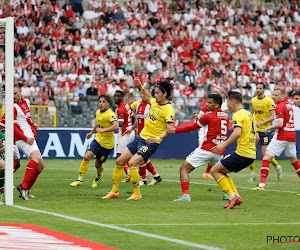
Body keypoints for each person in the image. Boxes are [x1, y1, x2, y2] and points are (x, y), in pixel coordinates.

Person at [102, 78, 175, 200]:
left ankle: (137, 194)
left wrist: (157, 138)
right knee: (120, 161)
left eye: (157, 93)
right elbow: (147, 96)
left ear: (165, 94)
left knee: (132, 163)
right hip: (140, 137)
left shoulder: (168, 110)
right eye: (155, 93)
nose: (155, 95)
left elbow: (170, 129)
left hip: (150, 142)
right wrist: (141, 86)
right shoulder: (154, 102)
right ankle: (114, 191)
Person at [167, 94, 229, 202]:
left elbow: (193, 127)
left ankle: (186, 196)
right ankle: (227, 194)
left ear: (217, 104)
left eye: (210, 102)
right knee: (221, 172)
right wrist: (200, 120)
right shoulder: (226, 116)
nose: (207, 104)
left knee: (184, 169)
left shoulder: (208, 116)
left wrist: (174, 130)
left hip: (207, 149)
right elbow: (213, 126)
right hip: (220, 150)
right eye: (207, 102)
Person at [211, 91, 258, 209]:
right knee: (222, 171)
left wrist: (223, 145)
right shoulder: (250, 115)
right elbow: (257, 137)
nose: (226, 106)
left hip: (242, 153)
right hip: (251, 155)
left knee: (214, 170)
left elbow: (237, 133)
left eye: (227, 102)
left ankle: (232, 197)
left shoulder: (238, 114)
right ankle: (236, 196)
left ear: (233, 102)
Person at [252, 88, 300, 190]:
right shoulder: (288, 105)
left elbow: (280, 123)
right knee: (294, 161)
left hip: (282, 136)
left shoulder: (279, 106)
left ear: (282, 96)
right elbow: (286, 123)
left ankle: (261, 185)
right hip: (291, 135)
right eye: (273, 95)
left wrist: (268, 128)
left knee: (266, 158)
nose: (274, 97)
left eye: (277, 95)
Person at [70, 95, 118, 187]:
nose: (101, 104)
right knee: (87, 157)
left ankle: (99, 176)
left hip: (107, 145)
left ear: (107, 103)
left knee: (98, 164)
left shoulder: (110, 114)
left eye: (103, 102)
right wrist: (92, 132)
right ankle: (80, 179)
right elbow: (98, 123)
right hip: (98, 140)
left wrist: (103, 130)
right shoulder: (97, 112)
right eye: (100, 101)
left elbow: (116, 126)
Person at [123, 89, 162, 186]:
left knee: (141, 157)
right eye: (141, 93)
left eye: (144, 93)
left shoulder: (151, 106)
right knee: (143, 158)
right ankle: (156, 176)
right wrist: (132, 128)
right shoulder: (137, 104)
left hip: (148, 136)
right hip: (139, 135)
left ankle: (143, 179)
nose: (143, 95)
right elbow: (136, 118)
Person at [13, 85, 45, 200]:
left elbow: (27, 118)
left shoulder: (26, 101)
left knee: (41, 166)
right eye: (12, 94)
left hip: (30, 137)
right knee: (36, 158)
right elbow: (13, 127)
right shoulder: (12, 107)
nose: (14, 96)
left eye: (15, 93)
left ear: (20, 92)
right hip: (22, 139)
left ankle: (25, 188)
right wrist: (25, 138)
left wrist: (33, 124)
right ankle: (24, 188)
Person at [249, 83, 282, 182]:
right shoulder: (253, 100)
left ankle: (277, 166)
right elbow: (253, 113)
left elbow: (272, 116)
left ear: (264, 90)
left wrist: (261, 123)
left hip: (265, 129)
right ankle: (252, 174)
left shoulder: (269, 101)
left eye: (260, 88)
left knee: (265, 153)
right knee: (251, 150)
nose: (258, 90)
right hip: (255, 129)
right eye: (257, 88)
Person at [114, 90, 135, 178]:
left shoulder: (120, 108)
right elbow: (133, 117)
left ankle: (129, 174)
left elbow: (120, 123)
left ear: (122, 97)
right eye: (115, 96)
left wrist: (110, 125)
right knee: (128, 156)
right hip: (130, 131)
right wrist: (133, 128)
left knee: (119, 157)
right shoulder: (126, 105)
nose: (115, 98)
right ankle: (131, 174)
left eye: (118, 96)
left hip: (124, 133)